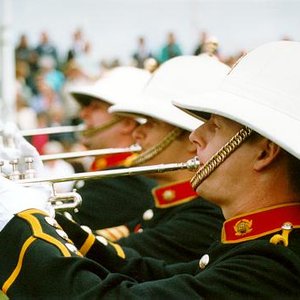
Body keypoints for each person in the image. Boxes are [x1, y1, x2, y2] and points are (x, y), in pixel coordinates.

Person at [1, 41, 300, 298]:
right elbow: (144, 271)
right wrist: (39, 214)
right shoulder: (257, 244)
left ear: (264, 151)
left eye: (215, 126)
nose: (196, 135)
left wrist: (19, 225)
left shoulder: (275, 262)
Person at [66, 55, 226, 264]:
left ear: (192, 139)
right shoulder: (163, 207)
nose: (137, 132)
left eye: (150, 123)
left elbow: (112, 262)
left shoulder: (205, 217)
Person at [67, 66, 157, 229]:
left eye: (95, 108)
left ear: (127, 123)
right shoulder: (106, 173)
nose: (83, 114)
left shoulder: (127, 182)